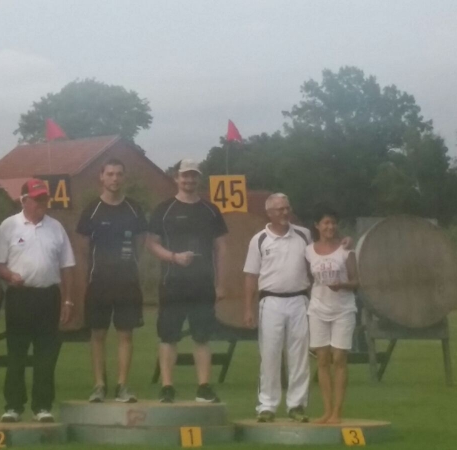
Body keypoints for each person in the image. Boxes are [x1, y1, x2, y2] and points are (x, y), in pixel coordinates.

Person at [0, 179, 75, 423]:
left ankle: (42, 406)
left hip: (48, 296)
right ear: (24, 200)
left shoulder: (56, 227)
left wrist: (68, 301)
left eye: (44, 199)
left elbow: (67, 266)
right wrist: (10, 276)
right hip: (20, 296)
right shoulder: (9, 226)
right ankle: (13, 406)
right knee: (16, 353)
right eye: (37, 199)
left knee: (46, 354)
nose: (42, 203)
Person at [146, 158, 227, 404]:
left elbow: (221, 248)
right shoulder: (164, 209)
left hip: (203, 284)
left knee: (202, 337)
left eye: (193, 175)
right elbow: (151, 243)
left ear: (199, 178)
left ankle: (203, 387)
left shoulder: (210, 210)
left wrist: (221, 283)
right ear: (176, 178)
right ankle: (167, 388)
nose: (189, 180)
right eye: (185, 175)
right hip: (172, 283)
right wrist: (173, 257)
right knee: (168, 336)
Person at [76, 158, 148, 403]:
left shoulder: (134, 208)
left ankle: (122, 386)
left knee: (125, 334)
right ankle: (99, 385)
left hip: (128, 283)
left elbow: (141, 243)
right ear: (102, 177)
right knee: (97, 335)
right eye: (110, 174)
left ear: (124, 177)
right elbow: (84, 248)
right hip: (99, 283)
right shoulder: (92, 210)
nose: (114, 178)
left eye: (119, 174)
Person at [243, 193, 311, 423]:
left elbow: (316, 262)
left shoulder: (303, 235)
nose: (285, 212)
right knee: (270, 354)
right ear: (269, 213)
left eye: (287, 208)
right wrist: (248, 308)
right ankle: (267, 405)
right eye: (280, 209)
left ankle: (297, 405)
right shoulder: (259, 239)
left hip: (299, 299)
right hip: (270, 301)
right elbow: (251, 275)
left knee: (299, 355)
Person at [305, 206, 358, 424]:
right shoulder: (308, 251)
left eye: (333, 223)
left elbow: (356, 281)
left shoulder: (346, 250)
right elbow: (309, 279)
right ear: (317, 225)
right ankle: (326, 410)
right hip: (317, 309)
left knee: (339, 358)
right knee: (323, 359)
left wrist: (341, 285)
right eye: (326, 223)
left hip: (343, 309)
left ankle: (337, 411)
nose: (330, 227)